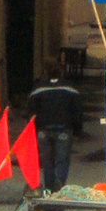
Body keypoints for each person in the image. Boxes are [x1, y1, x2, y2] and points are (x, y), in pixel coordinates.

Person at [26, 60, 84, 191]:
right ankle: (59, 188)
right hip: (64, 129)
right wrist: (77, 131)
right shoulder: (70, 88)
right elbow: (77, 111)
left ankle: (49, 189)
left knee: (47, 162)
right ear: (61, 70)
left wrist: (33, 131)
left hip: (43, 131)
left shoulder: (37, 89)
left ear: (45, 71)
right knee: (62, 161)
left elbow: (31, 112)